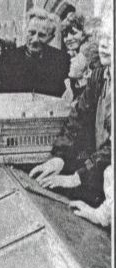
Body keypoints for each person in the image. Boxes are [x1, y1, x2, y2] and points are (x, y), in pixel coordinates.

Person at [29, 19, 112, 207]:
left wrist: (77, 177)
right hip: (101, 177)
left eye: (112, 38)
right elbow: (77, 119)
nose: (105, 45)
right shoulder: (99, 76)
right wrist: (59, 157)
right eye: (103, 38)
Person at [10, 8, 70, 97]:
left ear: (51, 38)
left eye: (41, 35)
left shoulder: (62, 61)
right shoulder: (9, 59)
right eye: (32, 32)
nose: (35, 40)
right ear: (25, 31)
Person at [61, 13, 101, 100]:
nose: (68, 38)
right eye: (65, 35)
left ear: (84, 33)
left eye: (73, 33)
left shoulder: (91, 53)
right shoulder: (70, 56)